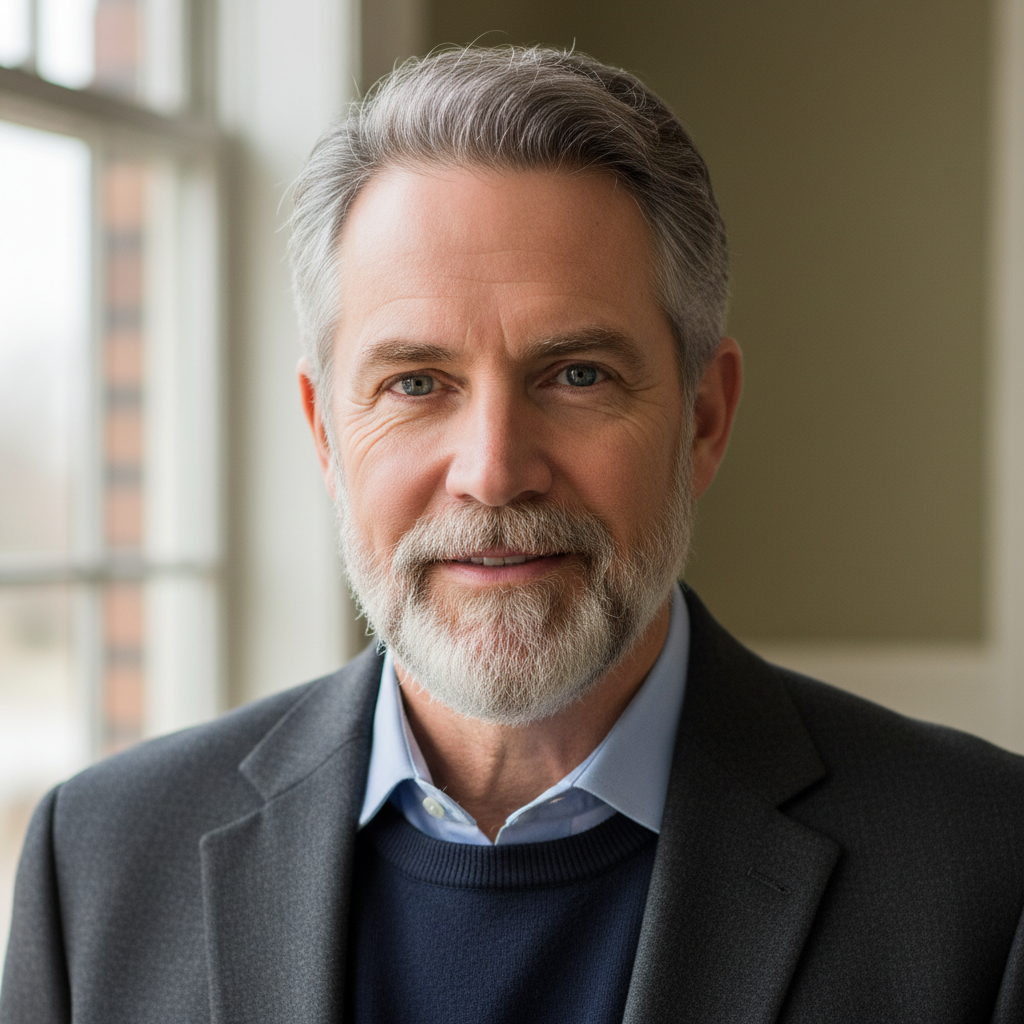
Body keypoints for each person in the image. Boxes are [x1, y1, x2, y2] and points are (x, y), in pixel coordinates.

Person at [2, 45, 1023, 1024]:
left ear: (703, 420)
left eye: (577, 374)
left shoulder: (986, 869)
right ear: (324, 433)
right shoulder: (97, 861)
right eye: (415, 383)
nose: (492, 471)